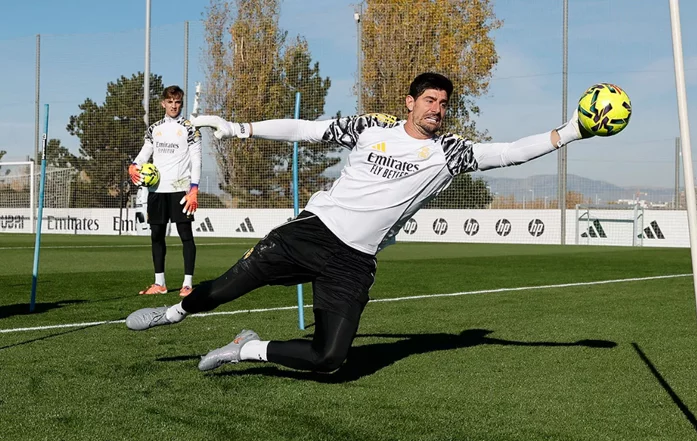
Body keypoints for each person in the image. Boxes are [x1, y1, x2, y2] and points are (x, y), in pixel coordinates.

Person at [126, 72, 593, 372]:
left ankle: (245, 348)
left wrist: (573, 129)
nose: (437, 109)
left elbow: (511, 153)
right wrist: (240, 129)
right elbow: (305, 130)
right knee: (225, 289)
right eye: (429, 100)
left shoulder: (451, 153)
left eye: (443, 103)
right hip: (311, 233)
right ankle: (172, 314)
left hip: (354, 260)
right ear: (409, 102)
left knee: (329, 358)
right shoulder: (371, 128)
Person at [129, 85, 202, 298]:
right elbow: (145, 152)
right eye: (170, 102)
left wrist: (194, 188)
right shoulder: (154, 128)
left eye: (177, 102)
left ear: (181, 104)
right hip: (157, 190)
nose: (173, 106)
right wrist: (134, 165)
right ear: (163, 103)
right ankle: (159, 283)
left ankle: (187, 284)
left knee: (185, 235)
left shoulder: (190, 128)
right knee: (156, 236)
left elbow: (197, 160)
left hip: (180, 190)